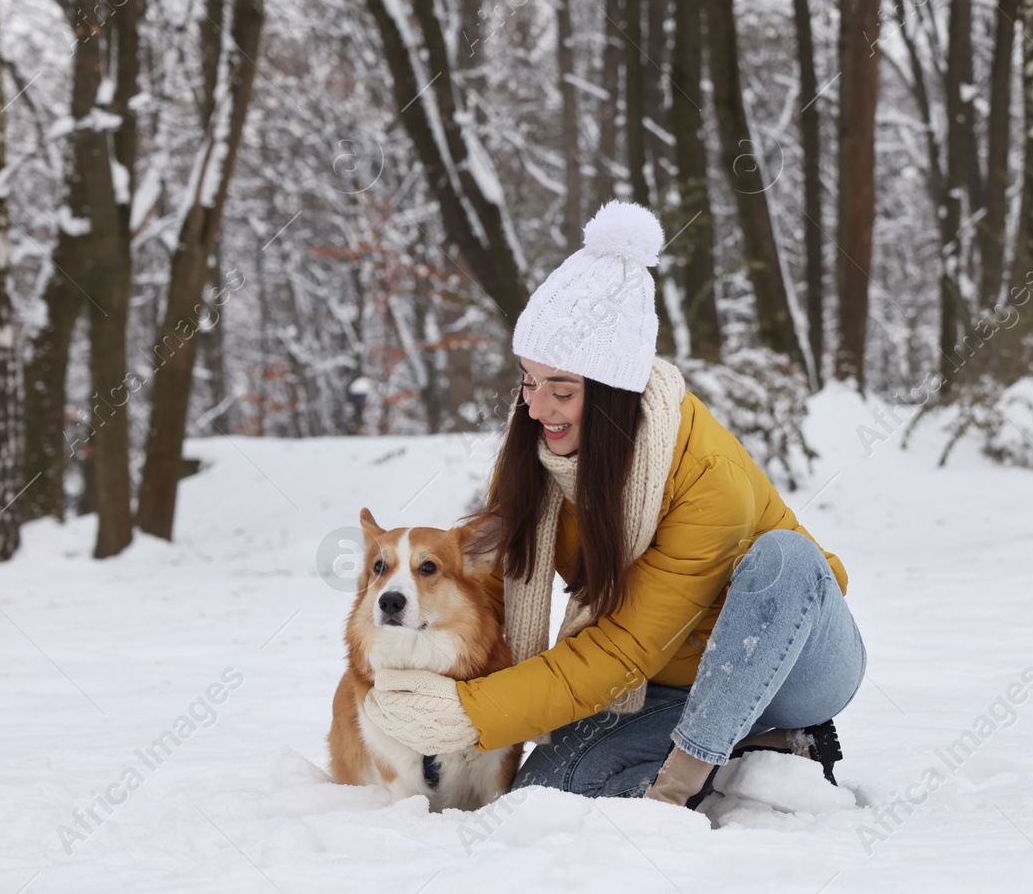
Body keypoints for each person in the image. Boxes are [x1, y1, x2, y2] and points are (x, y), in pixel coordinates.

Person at [361, 201, 866, 810]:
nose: (535, 406)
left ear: (612, 399)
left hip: (792, 662)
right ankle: (761, 749)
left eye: (562, 390)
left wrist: (473, 714)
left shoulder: (708, 476)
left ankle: (695, 773)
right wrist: (435, 684)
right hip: (663, 686)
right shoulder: (538, 450)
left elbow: (623, 646)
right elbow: (487, 583)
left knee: (783, 558)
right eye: (527, 379)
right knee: (549, 794)